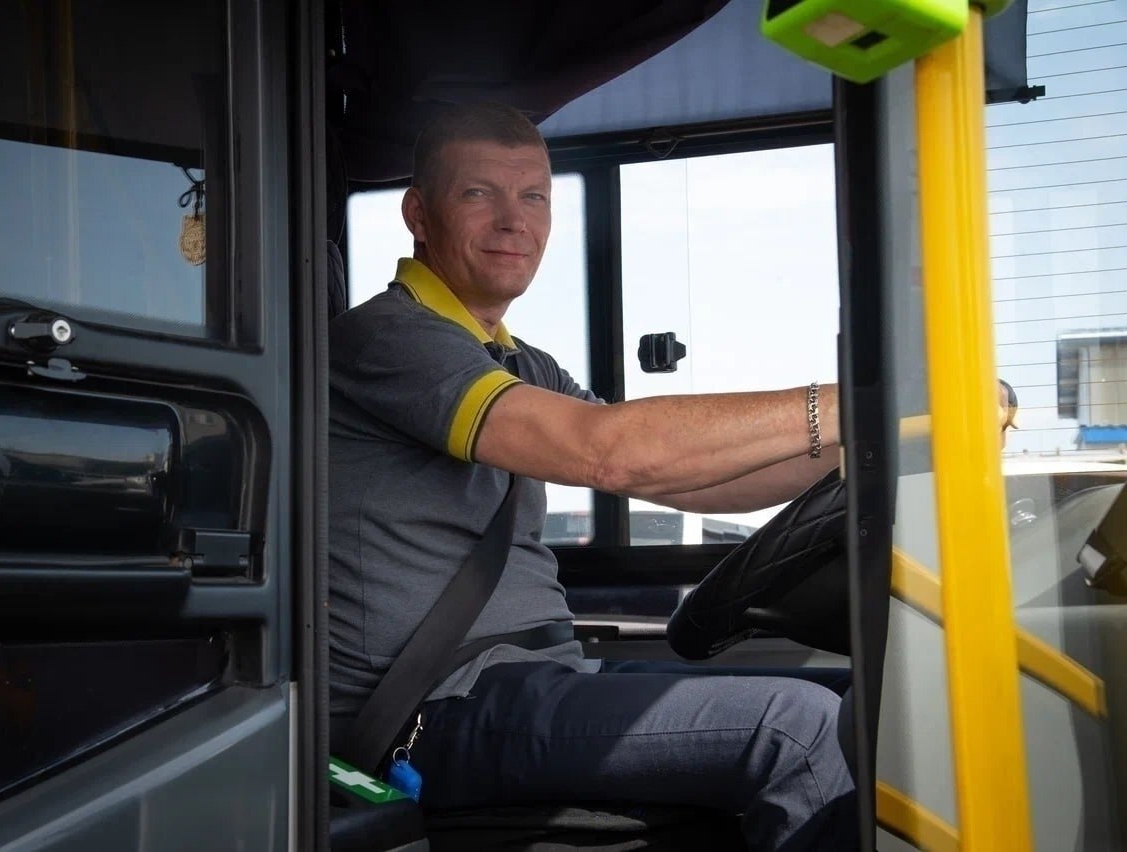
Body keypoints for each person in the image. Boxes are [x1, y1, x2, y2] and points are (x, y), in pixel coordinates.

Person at [329, 102, 856, 852]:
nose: (515, 220)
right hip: (431, 712)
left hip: (538, 681)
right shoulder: (387, 339)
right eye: (479, 193)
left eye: (533, 196)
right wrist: (848, 403)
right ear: (418, 213)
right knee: (795, 731)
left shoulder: (522, 363)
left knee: (860, 706)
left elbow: (684, 483)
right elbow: (607, 450)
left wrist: (858, 444)